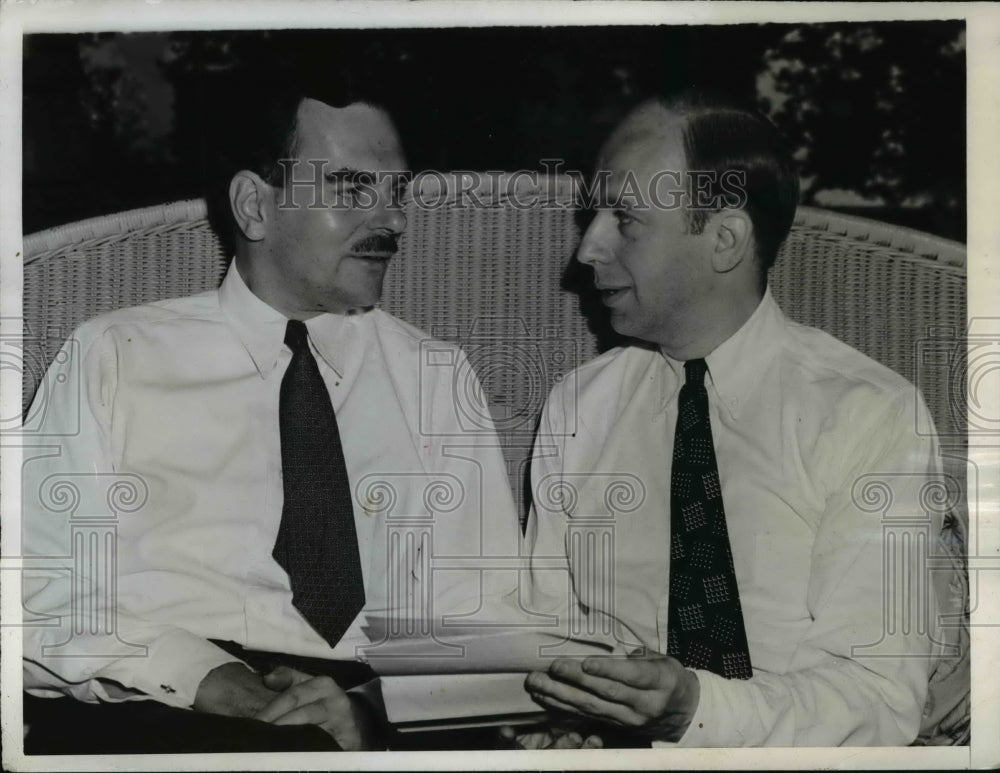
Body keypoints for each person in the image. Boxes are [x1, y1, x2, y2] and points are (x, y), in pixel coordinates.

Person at [21, 78, 520, 753]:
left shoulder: (438, 379)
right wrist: (210, 678)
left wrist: (368, 711)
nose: (394, 220)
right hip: (169, 700)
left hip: (380, 708)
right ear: (255, 206)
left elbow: (490, 624)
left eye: (396, 193)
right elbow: (38, 595)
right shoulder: (114, 357)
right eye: (352, 190)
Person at [517, 91, 957, 747]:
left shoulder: (867, 413)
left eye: (625, 220)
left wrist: (693, 709)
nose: (587, 249)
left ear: (724, 239)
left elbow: (876, 698)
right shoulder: (579, 405)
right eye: (593, 214)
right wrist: (556, 719)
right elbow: (541, 632)